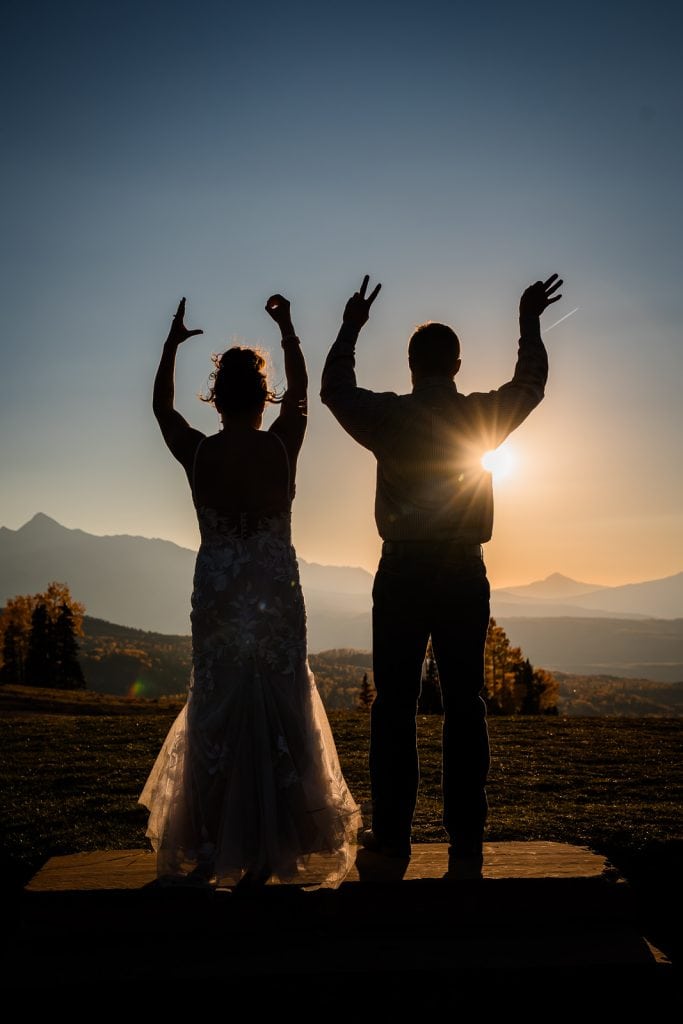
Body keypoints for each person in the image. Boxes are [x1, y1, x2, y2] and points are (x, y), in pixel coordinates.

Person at [320, 273, 562, 878]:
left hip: (401, 574)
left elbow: (333, 389)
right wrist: (529, 321)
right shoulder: (481, 417)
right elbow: (530, 386)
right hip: (462, 574)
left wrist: (350, 325)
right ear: (456, 365)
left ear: (410, 367)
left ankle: (394, 840)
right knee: (465, 706)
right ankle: (466, 846)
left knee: (394, 708)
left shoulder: (388, 418)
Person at [140, 295, 361, 888]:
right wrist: (289, 329)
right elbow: (304, 393)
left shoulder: (202, 453)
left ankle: (213, 842)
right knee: (281, 702)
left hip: (216, 593)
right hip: (275, 593)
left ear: (217, 397)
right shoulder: (283, 446)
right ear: (264, 397)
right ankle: (277, 845)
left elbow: (161, 411)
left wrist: (169, 346)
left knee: (220, 704)